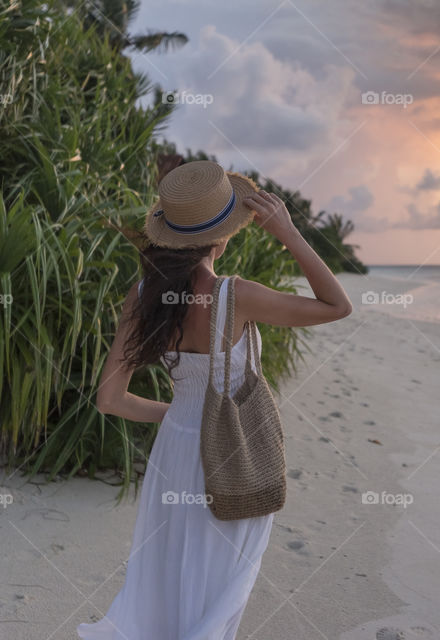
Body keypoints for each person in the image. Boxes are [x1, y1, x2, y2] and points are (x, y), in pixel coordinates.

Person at [77, 160, 352, 639]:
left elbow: (109, 399)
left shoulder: (141, 294)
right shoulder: (235, 295)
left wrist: (181, 417)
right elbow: (336, 306)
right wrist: (288, 232)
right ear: (222, 237)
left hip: (175, 455)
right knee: (217, 590)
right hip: (228, 454)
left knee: (167, 585)